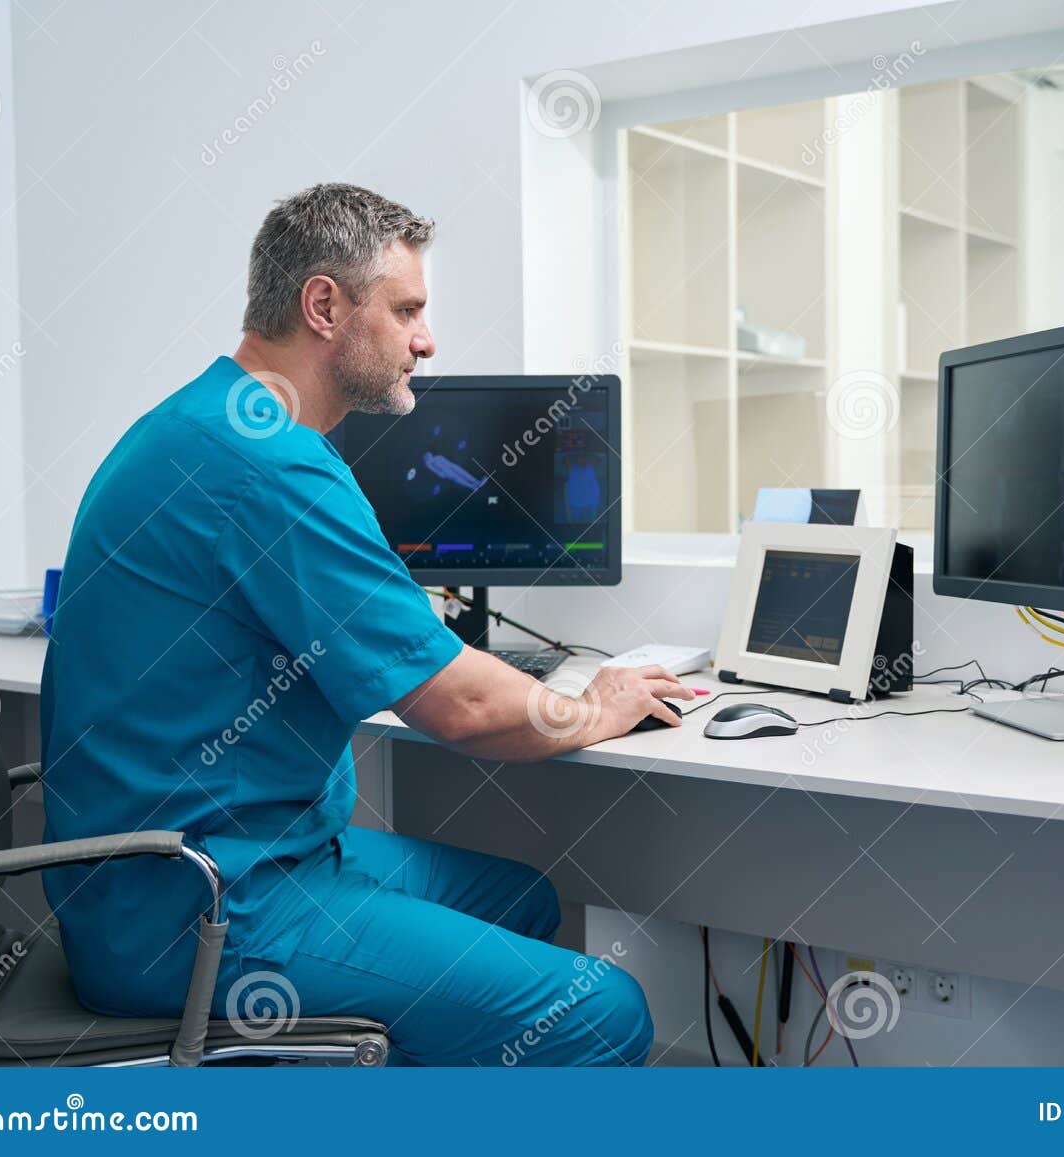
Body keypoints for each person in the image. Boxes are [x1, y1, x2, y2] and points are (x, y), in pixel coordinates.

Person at [40, 183, 689, 1066]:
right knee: (603, 1012)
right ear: (323, 306)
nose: (427, 340)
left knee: (524, 900)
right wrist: (596, 706)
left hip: (203, 866)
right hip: (202, 908)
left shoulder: (201, 419)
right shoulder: (270, 465)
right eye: (407, 310)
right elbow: (461, 706)